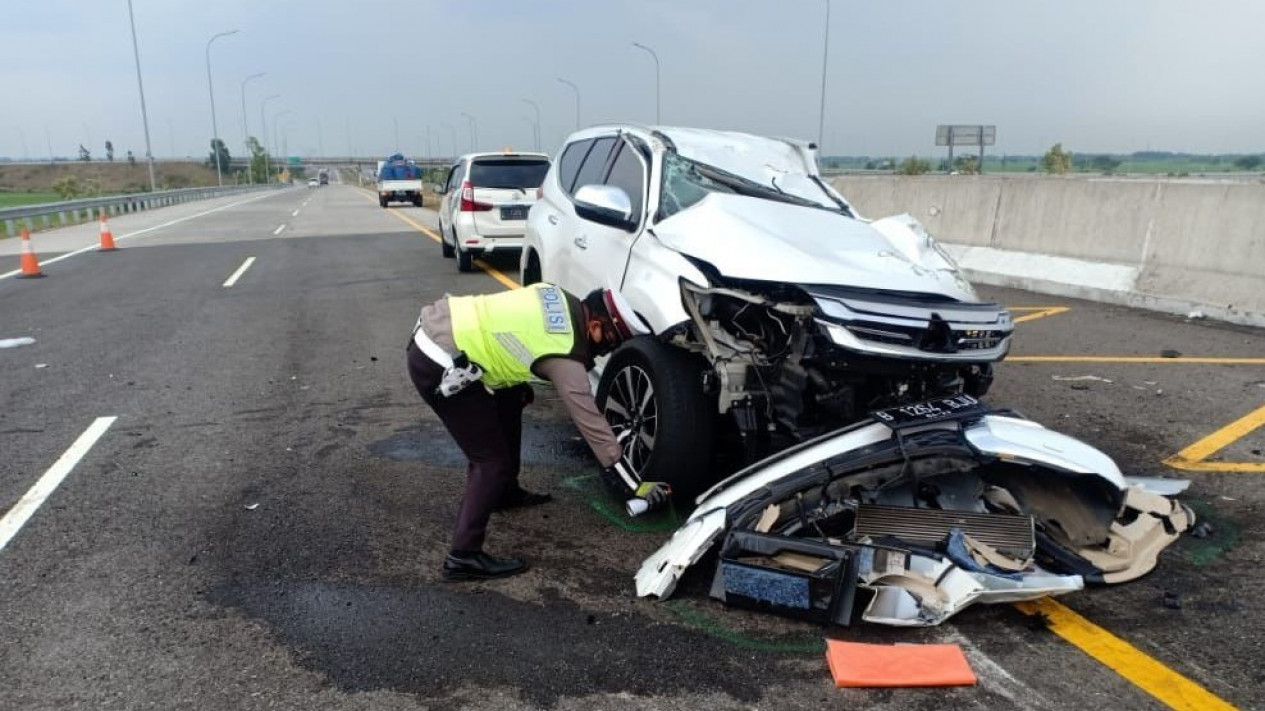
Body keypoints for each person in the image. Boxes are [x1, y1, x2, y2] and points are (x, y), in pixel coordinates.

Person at [407, 283, 653, 581]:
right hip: (441, 362)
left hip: (442, 327)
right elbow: (592, 425)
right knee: (489, 462)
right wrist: (634, 486)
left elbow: (513, 330)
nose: (607, 349)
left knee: (512, 399)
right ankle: (463, 556)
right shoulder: (565, 355)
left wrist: (520, 384)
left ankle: (504, 493)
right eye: (611, 342)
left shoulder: (560, 295)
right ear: (596, 326)